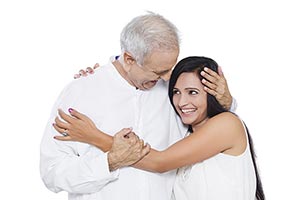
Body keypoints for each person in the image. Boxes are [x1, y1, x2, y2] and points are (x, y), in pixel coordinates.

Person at [40, 12, 235, 200]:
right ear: (128, 59)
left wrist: (226, 102)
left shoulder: (176, 92)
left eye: (171, 67)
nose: (168, 78)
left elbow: (210, 132)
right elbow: (52, 173)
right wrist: (108, 162)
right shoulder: (81, 92)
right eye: (159, 71)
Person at [54, 56, 264, 200]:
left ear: (212, 92)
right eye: (175, 92)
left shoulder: (227, 124)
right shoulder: (186, 134)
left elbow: (160, 162)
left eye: (192, 92)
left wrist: (94, 136)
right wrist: (106, 77)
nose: (182, 102)